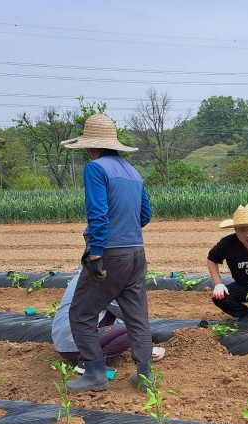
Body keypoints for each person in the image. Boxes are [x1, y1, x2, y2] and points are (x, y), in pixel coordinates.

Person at [60, 113, 154, 393]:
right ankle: (145, 375)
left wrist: (97, 254)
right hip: (137, 253)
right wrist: (127, 230)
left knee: (80, 314)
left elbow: (98, 216)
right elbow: (145, 214)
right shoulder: (133, 172)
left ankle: (95, 374)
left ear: (90, 146)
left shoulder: (95, 169)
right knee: (137, 316)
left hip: (111, 254)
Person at [52, 270, 165, 367]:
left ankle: (90, 359)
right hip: (74, 343)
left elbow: (116, 316)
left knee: (121, 324)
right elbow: (131, 315)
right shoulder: (102, 281)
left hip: (65, 342)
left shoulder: (84, 276)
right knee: (132, 331)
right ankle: (90, 364)